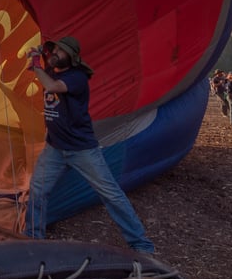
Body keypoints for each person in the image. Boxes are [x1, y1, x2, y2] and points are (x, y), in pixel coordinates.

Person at [23, 37, 155, 255]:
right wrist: (39, 56)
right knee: (37, 190)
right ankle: (34, 238)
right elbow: (48, 74)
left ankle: (141, 244)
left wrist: (37, 63)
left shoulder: (77, 78)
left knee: (110, 194)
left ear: (72, 58)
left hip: (81, 149)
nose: (55, 52)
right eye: (54, 49)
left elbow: (52, 86)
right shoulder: (54, 71)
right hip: (54, 148)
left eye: (60, 51)